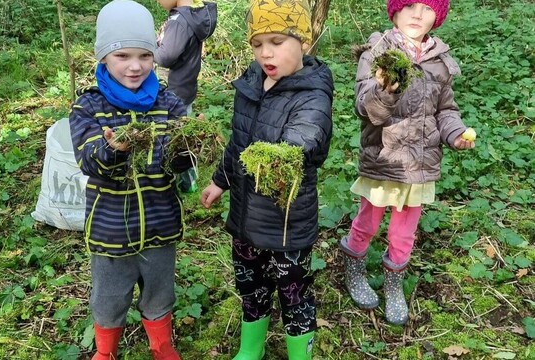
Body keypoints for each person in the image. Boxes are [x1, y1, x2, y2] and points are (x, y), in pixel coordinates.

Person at [200, 0, 333, 358]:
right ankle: (251, 348)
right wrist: (219, 181)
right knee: (250, 284)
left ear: (303, 42)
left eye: (276, 41)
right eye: (258, 44)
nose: (265, 53)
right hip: (246, 217)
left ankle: (300, 352)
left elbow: (306, 139)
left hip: (287, 223)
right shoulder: (251, 86)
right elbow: (237, 142)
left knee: (294, 291)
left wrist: (281, 155)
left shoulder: (313, 95)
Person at [69, 1, 193, 358]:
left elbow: (181, 163)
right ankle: (105, 350)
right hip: (111, 230)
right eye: (122, 55)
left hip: (160, 223)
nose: (135, 66)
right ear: (104, 57)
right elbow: (90, 161)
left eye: (144, 55)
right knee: (109, 297)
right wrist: (115, 150)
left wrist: (190, 147)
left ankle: (161, 344)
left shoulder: (168, 103)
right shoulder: (89, 107)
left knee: (159, 292)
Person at [340, 0, 475, 326]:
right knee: (368, 221)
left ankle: (393, 282)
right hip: (384, 160)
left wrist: (455, 133)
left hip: (419, 166)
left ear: (438, 16)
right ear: (395, 11)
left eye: (428, 7)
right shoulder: (378, 52)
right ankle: (353, 267)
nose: (418, 13)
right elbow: (365, 106)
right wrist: (385, 90)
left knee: (404, 233)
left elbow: (445, 110)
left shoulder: (440, 62)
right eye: (410, 4)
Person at [155, 0, 218, 193]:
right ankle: (186, 175)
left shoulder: (179, 20)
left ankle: (186, 178)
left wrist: (148, 50)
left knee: (177, 137)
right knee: (182, 132)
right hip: (185, 87)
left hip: (173, 90)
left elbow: (165, 57)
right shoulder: (192, 16)